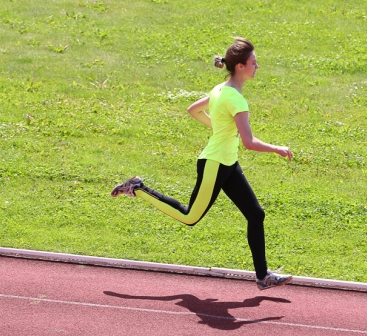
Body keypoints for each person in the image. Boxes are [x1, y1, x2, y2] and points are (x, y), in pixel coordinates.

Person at [111, 37, 294, 290]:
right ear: (240, 66)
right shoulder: (236, 99)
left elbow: (193, 110)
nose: (257, 66)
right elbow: (249, 142)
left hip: (228, 163)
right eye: (254, 62)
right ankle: (138, 188)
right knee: (189, 217)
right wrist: (277, 148)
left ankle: (263, 277)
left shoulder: (220, 90)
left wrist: (221, 130)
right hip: (215, 165)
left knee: (256, 214)